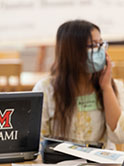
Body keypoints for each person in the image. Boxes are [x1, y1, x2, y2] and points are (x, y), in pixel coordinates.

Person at [33, 20, 124, 151]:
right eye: (92, 46)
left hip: (102, 165)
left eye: (101, 44)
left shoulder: (115, 87)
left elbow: (120, 136)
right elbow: (38, 142)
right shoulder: (46, 89)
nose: (99, 51)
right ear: (72, 52)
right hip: (60, 165)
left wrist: (107, 88)